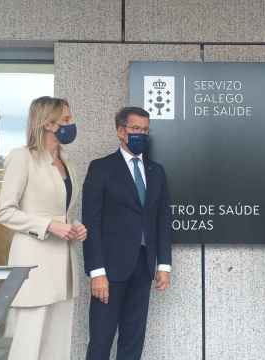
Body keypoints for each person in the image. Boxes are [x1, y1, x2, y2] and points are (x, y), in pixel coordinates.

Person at [0, 96, 87, 360]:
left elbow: (62, 212)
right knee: (29, 344)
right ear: (48, 122)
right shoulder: (22, 158)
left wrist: (75, 227)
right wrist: (48, 226)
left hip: (64, 266)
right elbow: (5, 212)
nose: (72, 123)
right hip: (34, 264)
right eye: (67, 119)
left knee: (57, 346)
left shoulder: (68, 163)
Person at [83, 106, 172, 360]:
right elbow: (92, 221)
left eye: (145, 130)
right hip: (109, 272)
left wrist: (163, 264)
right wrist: (97, 271)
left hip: (143, 267)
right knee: (100, 341)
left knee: (133, 341)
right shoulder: (101, 168)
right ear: (121, 131)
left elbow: (163, 219)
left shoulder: (156, 171)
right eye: (135, 129)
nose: (141, 134)